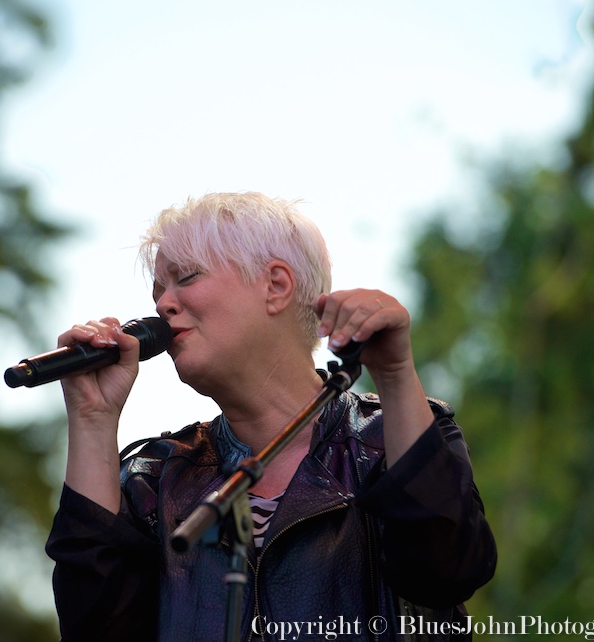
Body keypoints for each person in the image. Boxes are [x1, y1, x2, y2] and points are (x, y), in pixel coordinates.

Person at [45, 191, 496, 641]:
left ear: (276, 286)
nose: (163, 305)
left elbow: (446, 570)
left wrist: (395, 375)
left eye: (186, 277)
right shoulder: (155, 478)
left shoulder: (386, 436)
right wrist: (92, 418)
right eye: (159, 291)